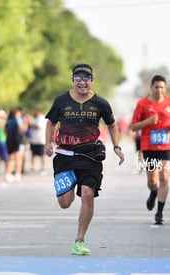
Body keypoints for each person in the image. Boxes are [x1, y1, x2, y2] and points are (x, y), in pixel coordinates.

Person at [45, 63, 124, 255]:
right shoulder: (61, 100)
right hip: (65, 156)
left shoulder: (101, 103)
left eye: (86, 78)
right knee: (65, 203)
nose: (82, 82)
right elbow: (51, 122)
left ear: (92, 80)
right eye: (78, 78)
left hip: (90, 156)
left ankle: (79, 240)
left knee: (88, 194)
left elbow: (112, 125)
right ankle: (71, 181)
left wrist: (117, 146)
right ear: (73, 80)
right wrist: (48, 143)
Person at [130, 75, 170, 225]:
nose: (159, 90)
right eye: (157, 87)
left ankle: (159, 213)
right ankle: (153, 192)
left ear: (165, 88)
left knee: (164, 177)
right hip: (149, 146)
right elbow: (133, 126)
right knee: (152, 181)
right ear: (151, 88)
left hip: (166, 146)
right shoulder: (142, 104)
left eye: (162, 87)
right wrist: (148, 121)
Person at [29, 108, 47, 174]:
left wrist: (31, 124)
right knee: (34, 154)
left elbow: (39, 127)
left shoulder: (42, 118)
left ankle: (43, 168)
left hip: (41, 140)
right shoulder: (35, 119)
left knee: (42, 154)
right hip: (34, 140)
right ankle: (33, 167)